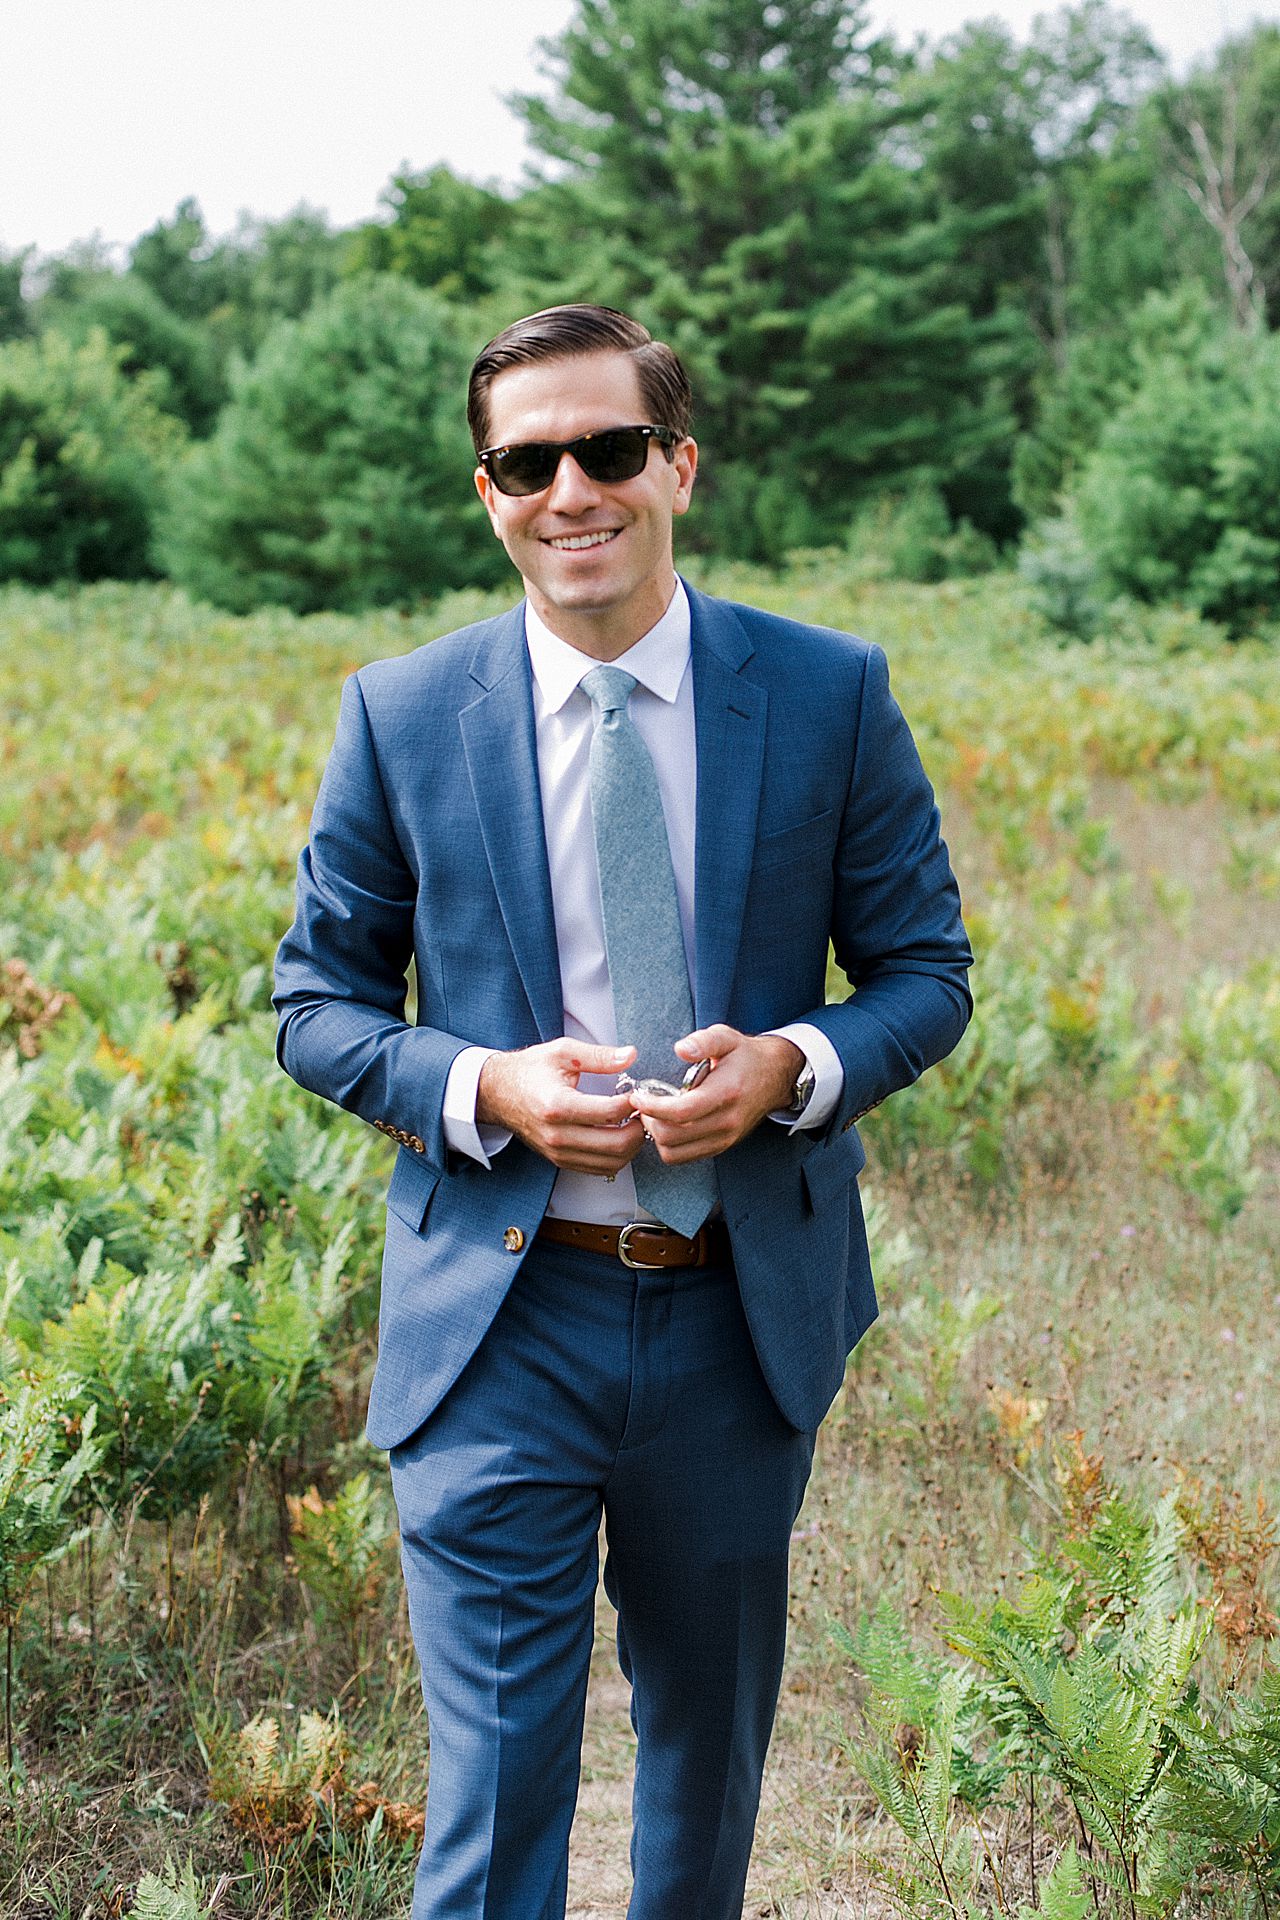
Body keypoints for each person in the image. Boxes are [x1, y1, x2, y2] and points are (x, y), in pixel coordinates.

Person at [273, 303, 972, 1920]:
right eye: (528, 460)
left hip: (739, 1321)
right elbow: (315, 1007)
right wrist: (481, 1084)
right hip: (499, 1322)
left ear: (678, 466)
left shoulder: (826, 692)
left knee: (705, 1771)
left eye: (606, 449)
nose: (568, 489)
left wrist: (793, 1065)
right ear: (488, 492)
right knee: (498, 1794)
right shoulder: (401, 713)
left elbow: (924, 971)